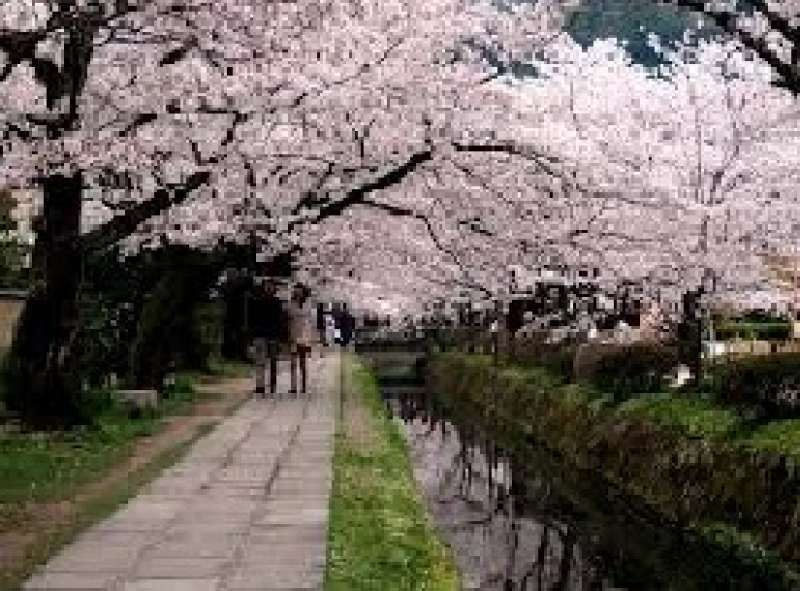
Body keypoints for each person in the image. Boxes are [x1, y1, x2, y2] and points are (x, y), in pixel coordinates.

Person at [250, 278, 286, 398]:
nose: (269, 288)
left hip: (273, 335)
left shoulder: (277, 302)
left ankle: (272, 384)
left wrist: (281, 337)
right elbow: (252, 319)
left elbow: (281, 321)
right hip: (260, 334)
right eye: (267, 286)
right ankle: (260, 385)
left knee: (273, 361)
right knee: (260, 361)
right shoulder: (256, 301)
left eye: (271, 286)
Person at [288, 283, 315, 395]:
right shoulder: (291, 303)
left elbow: (311, 320)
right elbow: (289, 318)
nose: (298, 293)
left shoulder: (308, 303)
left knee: (303, 362)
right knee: (293, 362)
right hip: (293, 333)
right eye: (296, 291)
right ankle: (293, 386)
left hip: (305, 335)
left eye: (300, 291)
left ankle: (304, 385)